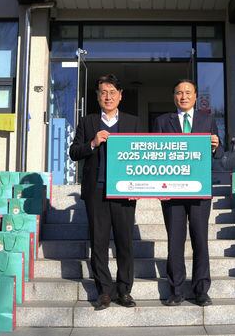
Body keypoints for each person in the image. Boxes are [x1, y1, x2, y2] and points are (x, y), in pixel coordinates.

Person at [69, 74, 139, 311]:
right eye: (103, 93)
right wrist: (92, 143)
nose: (108, 97)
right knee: (98, 243)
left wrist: (141, 186)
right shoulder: (87, 122)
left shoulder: (133, 122)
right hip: (96, 191)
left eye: (112, 92)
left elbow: (142, 155)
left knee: (124, 242)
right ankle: (104, 291)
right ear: (97, 96)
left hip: (124, 191)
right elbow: (74, 152)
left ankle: (124, 290)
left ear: (120, 95)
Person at [153, 79, 223, 307]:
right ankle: (176, 290)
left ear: (195, 96)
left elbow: (219, 153)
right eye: (179, 93)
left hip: (199, 190)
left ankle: (201, 290)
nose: (183, 96)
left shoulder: (207, 120)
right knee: (175, 241)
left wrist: (216, 145)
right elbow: (153, 154)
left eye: (188, 92)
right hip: (172, 192)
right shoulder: (162, 121)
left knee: (200, 240)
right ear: (174, 96)